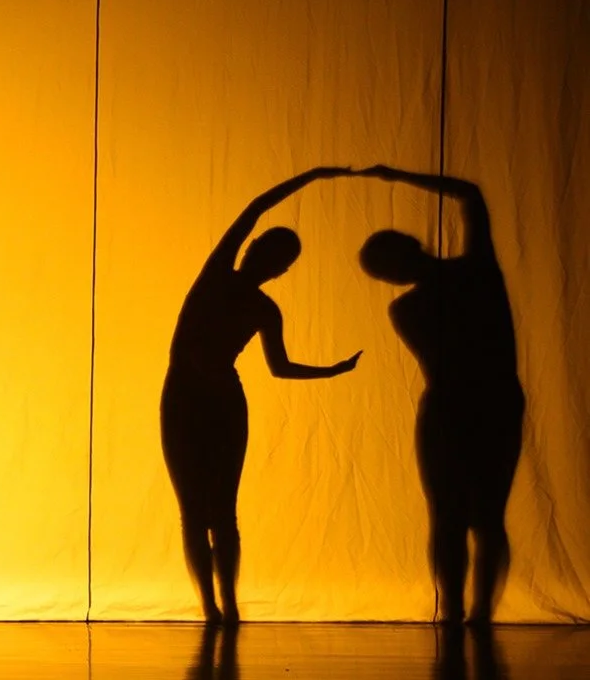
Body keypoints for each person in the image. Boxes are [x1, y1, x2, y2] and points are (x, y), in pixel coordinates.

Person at [162, 166, 362, 625]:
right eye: (263, 248)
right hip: (187, 398)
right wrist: (311, 177)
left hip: (220, 402)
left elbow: (280, 367)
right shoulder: (217, 275)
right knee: (195, 509)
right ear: (251, 248)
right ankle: (212, 605)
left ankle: (226, 604)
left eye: (276, 258)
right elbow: (255, 208)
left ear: (280, 271)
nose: (263, 258)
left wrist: (331, 370)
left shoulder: (261, 307)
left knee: (220, 510)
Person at [358, 165, 523, 626]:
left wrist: (395, 175)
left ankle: (467, 610)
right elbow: (470, 195)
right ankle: (465, 610)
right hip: (483, 402)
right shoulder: (472, 273)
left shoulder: (413, 304)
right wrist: (396, 177)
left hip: (465, 405)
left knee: (466, 515)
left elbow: (470, 196)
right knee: (471, 516)